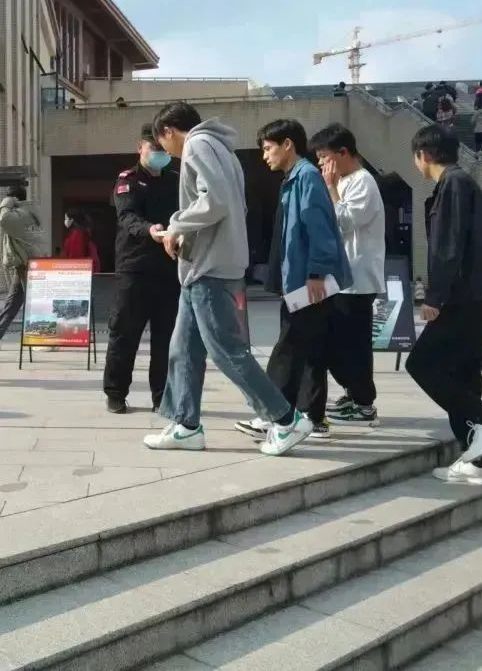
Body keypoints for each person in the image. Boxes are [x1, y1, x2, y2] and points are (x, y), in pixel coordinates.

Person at [143, 102, 313, 456]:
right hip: (206, 265)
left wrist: (176, 225)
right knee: (183, 349)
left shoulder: (197, 145)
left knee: (226, 351)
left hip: (210, 267)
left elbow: (215, 201)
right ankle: (186, 425)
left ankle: (286, 419)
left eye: (163, 143)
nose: (166, 152)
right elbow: (229, 204)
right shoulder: (222, 149)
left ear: (168, 132)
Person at [405, 125, 482, 485]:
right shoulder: (460, 183)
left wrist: (434, 297)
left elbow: (447, 246)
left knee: (421, 363)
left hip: (466, 295)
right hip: (479, 293)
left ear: (423, 155)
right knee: (464, 376)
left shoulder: (453, 184)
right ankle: (477, 463)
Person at [236, 120, 352, 440]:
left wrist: (316, 273)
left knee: (288, 347)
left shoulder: (307, 177)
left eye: (268, 148)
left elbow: (319, 228)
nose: (264, 156)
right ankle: (312, 416)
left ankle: (273, 412)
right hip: (299, 279)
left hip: (307, 281)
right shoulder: (295, 178)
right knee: (310, 349)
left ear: (288, 144)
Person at [307, 124, 387, 428]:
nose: (321, 164)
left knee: (353, 346)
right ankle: (354, 394)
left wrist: (330, 188)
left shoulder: (363, 181)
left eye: (324, 157)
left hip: (357, 279)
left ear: (343, 152)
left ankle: (364, 403)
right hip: (341, 279)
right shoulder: (345, 180)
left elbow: (344, 221)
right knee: (335, 343)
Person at [102, 127, 180, 414]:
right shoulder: (128, 181)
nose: (160, 154)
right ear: (140, 149)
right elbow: (126, 216)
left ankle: (162, 397)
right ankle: (116, 393)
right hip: (134, 269)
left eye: (163, 149)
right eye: (153, 149)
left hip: (169, 269)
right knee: (124, 334)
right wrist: (149, 230)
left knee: (166, 339)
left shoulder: (175, 179)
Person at [0, 185, 43, 351]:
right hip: (24, 263)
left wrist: (6, 202)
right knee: (13, 301)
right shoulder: (27, 212)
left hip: (28, 263)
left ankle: (42, 338)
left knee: (35, 301)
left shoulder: (21, 214)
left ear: (15, 199)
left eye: (8, 199)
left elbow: (3, 220)